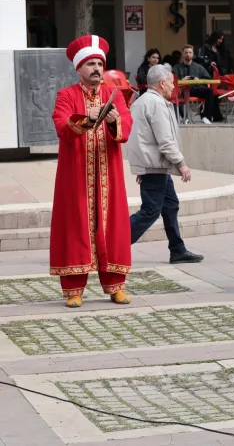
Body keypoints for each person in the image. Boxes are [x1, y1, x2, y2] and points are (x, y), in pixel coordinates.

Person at [51, 35, 134, 308]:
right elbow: (62, 124)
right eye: (90, 64)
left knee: (113, 227)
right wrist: (88, 118)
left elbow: (125, 127)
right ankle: (74, 289)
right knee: (75, 227)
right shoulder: (66, 95)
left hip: (109, 175)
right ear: (79, 68)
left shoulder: (116, 97)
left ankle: (116, 286)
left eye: (99, 63)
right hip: (76, 176)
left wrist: (114, 121)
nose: (96, 68)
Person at [127, 64, 204, 265]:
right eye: (171, 82)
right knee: (150, 211)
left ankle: (177, 250)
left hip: (154, 166)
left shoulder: (142, 101)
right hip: (156, 166)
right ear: (162, 83)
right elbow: (165, 140)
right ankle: (114, 244)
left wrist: (142, 166)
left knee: (170, 205)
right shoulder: (156, 104)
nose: (173, 86)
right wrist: (181, 163)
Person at [176, 44, 224, 124]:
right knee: (178, 95)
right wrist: (182, 80)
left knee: (209, 92)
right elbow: (171, 80)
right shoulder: (176, 67)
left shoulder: (198, 67)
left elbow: (208, 79)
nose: (188, 54)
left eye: (190, 52)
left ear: (193, 54)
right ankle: (186, 117)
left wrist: (199, 80)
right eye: (186, 52)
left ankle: (205, 116)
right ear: (183, 54)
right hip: (182, 90)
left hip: (196, 89)